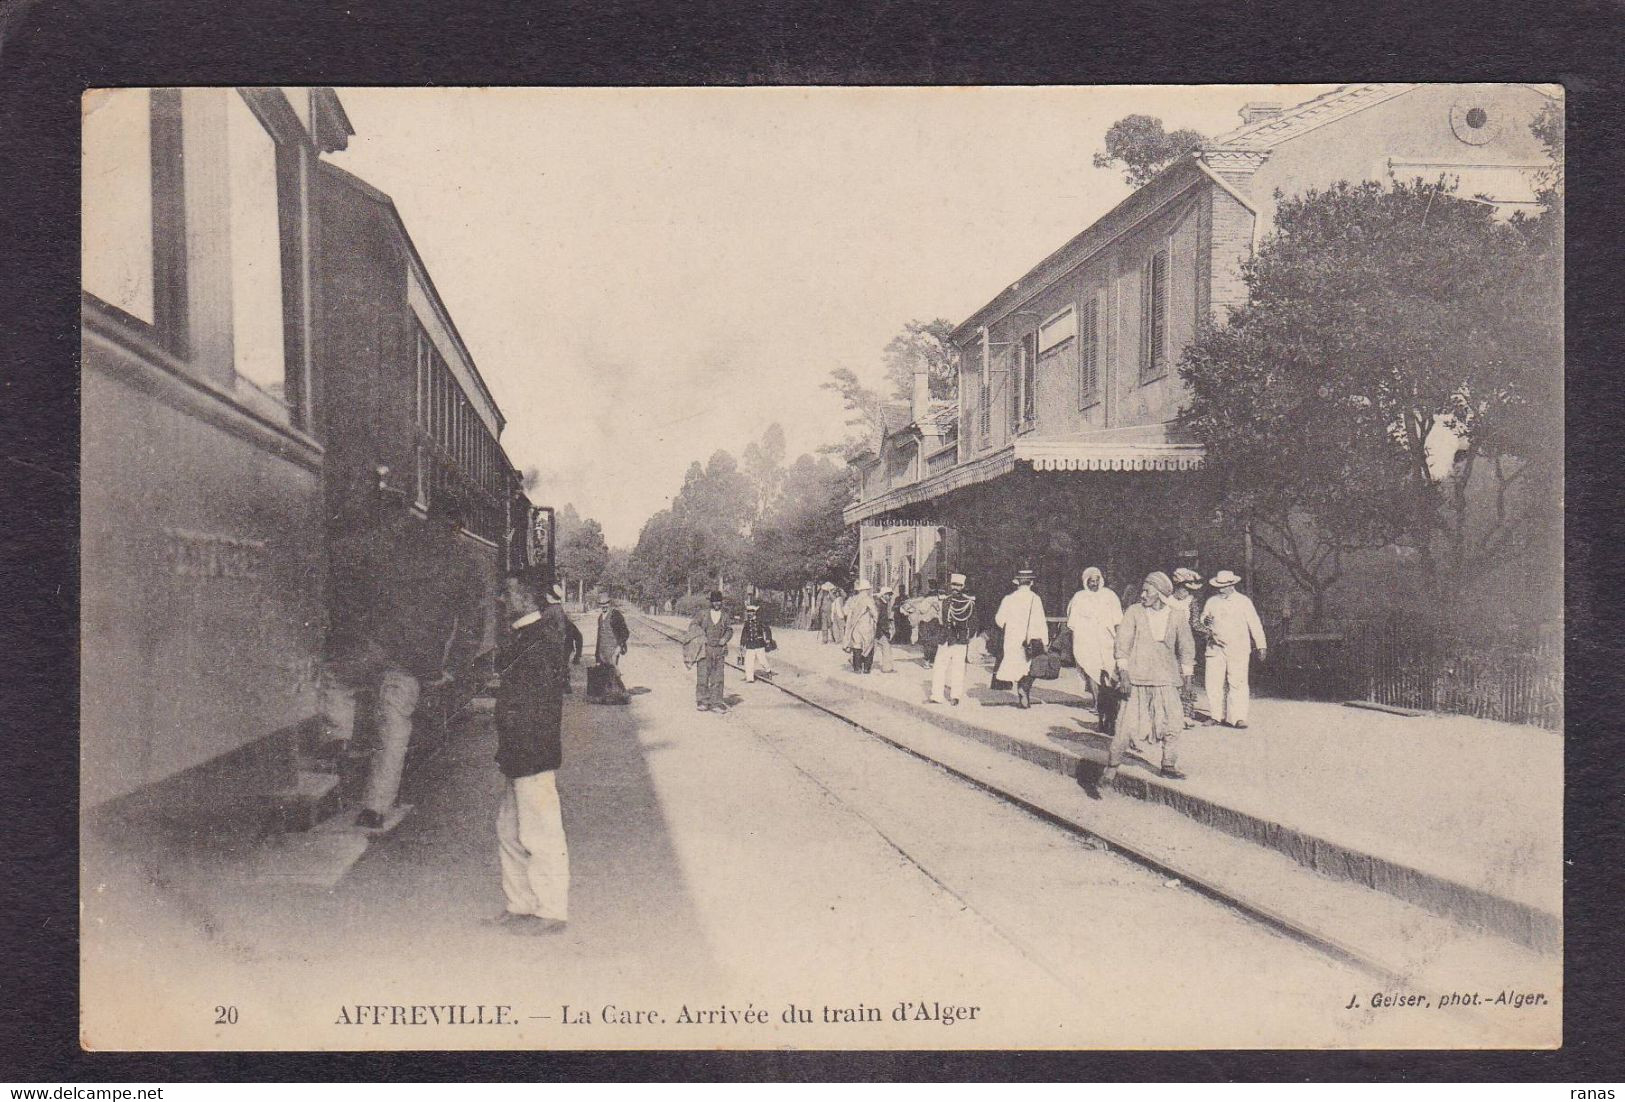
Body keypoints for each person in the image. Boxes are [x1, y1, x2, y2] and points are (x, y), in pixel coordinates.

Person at [323, 487, 486, 833]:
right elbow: (471, 623)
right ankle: (375, 808)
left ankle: (340, 736)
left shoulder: (395, 539)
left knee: (335, 681)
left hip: (372, 644)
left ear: (429, 512)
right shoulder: (465, 560)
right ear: (460, 525)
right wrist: (451, 669)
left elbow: (349, 568)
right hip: (417, 657)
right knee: (394, 725)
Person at [490, 568, 570, 935]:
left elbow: (538, 705)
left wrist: (523, 750)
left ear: (526, 595)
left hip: (531, 753)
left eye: (508, 592)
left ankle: (551, 911)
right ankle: (520, 903)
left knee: (540, 831)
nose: (502, 599)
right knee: (509, 829)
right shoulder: (528, 636)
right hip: (518, 752)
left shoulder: (540, 639)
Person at [1106, 572, 1197, 784]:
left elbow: (1186, 649)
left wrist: (1188, 680)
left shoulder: (1176, 616)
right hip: (1136, 678)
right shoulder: (1134, 612)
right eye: (1143, 590)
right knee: (1125, 727)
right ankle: (1111, 768)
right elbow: (1122, 645)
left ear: (1159, 593)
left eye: (1147, 591)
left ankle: (1168, 765)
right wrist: (1124, 675)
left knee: (1174, 723)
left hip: (1166, 679)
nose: (1143, 594)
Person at [1200, 570, 1268, 729]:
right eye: (1218, 586)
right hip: (1215, 647)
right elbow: (1203, 619)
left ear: (1231, 585)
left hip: (1238, 648)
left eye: (1223, 586)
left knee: (1238, 682)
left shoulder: (1243, 602)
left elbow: (1255, 624)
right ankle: (1216, 716)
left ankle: (1238, 718)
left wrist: (1261, 645)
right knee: (1213, 682)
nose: (1220, 589)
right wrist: (1205, 620)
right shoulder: (1212, 601)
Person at [1065, 566, 1123, 712]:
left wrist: (1119, 639)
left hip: (1107, 640)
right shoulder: (1079, 597)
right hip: (1087, 642)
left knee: (1111, 670)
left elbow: (1118, 619)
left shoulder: (1110, 595)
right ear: (1086, 582)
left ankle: (1111, 702)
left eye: (1097, 580)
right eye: (1091, 581)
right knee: (1091, 670)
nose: (1094, 584)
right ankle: (1097, 703)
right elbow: (1073, 623)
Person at [994, 567, 1049, 709]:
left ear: (1016, 582)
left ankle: (1021, 692)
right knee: (1030, 667)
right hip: (1031, 639)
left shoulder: (1008, 599)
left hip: (1012, 639)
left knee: (1016, 665)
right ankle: (1024, 689)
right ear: (1031, 583)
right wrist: (1045, 640)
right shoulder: (1035, 599)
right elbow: (1041, 621)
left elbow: (999, 620)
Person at [928, 574, 976, 705]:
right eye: (954, 585)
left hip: (960, 640)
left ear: (963, 586)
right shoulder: (946, 601)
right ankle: (936, 695)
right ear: (950, 585)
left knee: (958, 669)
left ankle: (955, 696)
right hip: (945, 638)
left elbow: (973, 623)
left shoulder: (969, 603)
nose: (956, 588)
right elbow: (941, 619)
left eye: (959, 585)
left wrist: (967, 636)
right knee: (939, 667)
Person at [1167, 568, 1206, 728]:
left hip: (1186, 642)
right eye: (1185, 589)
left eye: (1190, 590)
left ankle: (1186, 713)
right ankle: (1170, 714)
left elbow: (1196, 624)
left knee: (1187, 676)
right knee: (1169, 678)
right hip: (1167, 643)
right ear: (1177, 586)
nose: (1187, 592)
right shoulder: (1166, 600)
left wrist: (1209, 632)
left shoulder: (1191, 602)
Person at [685, 590, 734, 713]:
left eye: (719, 601)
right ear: (711, 602)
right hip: (704, 649)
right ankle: (702, 701)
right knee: (703, 675)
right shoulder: (703, 614)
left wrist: (725, 639)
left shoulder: (725, 616)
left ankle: (716, 703)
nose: (717, 604)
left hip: (719, 650)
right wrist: (701, 636)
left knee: (718, 677)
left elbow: (729, 630)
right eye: (715, 601)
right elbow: (693, 626)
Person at [843, 579, 879, 673]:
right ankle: (866, 669)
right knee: (868, 645)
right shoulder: (868, 599)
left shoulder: (853, 599)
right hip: (866, 625)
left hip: (855, 626)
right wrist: (875, 621)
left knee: (857, 646)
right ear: (866, 589)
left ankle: (857, 668)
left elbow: (845, 611)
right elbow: (874, 613)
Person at [739, 600, 776, 682]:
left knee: (762, 660)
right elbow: (744, 634)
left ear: (754, 612)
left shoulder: (760, 621)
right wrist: (742, 644)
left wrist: (768, 639)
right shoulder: (747, 623)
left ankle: (768, 670)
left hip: (759, 644)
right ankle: (750, 678)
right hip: (750, 645)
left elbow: (767, 630)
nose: (749, 614)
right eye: (748, 612)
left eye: (751, 612)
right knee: (748, 661)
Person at [913, 581, 945, 668]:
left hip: (928, 622)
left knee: (928, 641)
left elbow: (922, 609)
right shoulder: (941, 600)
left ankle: (927, 661)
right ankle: (931, 661)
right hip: (936, 622)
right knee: (934, 642)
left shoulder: (928, 599)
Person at [873, 585, 897, 673]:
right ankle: (887, 668)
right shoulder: (880, 604)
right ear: (883, 595)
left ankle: (854, 659)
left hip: (878, 630)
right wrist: (886, 631)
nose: (890, 597)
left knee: (871, 648)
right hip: (880, 630)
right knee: (886, 648)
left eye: (890, 595)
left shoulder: (882, 603)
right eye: (889, 594)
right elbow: (880, 619)